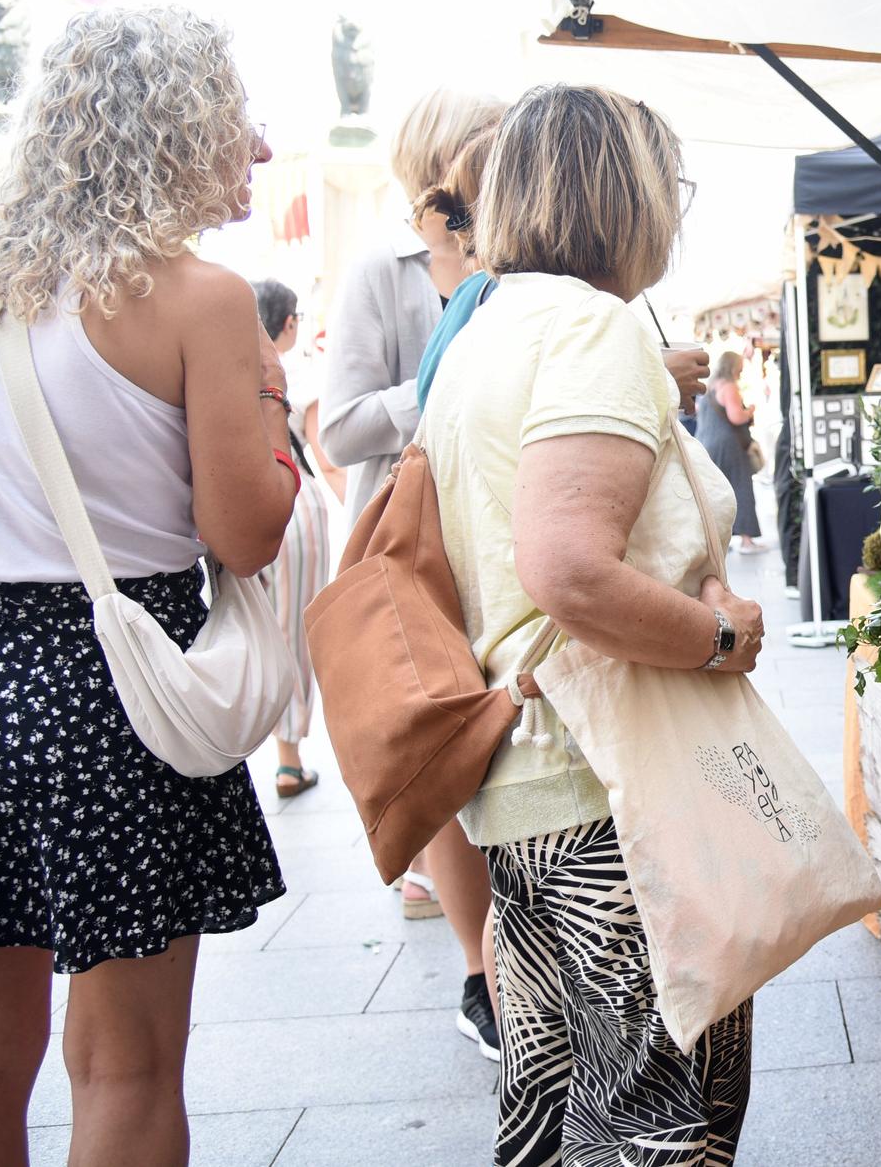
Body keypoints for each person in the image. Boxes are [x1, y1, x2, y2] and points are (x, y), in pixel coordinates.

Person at [0, 6, 293, 1167]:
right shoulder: (198, 298)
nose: (261, 147)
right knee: (123, 1061)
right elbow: (249, 532)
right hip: (110, 692)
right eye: (238, 119)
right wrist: (272, 409)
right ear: (179, 128)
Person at [422, 84, 763, 1163]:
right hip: (611, 786)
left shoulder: (482, 328)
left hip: (528, 787)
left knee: (552, 1108)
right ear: (628, 193)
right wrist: (714, 635)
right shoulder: (592, 327)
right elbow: (567, 567)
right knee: (656, 1123)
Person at [318, 87, 505, 1050]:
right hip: (416, 540)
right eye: (489, 137)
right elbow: (339, 428)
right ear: (447, 157)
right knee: (443, 749)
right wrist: (440, 376)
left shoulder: (526, 250)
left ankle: (536, 951)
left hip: (505, 532)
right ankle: (480, 973)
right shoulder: (380, 274)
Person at [252, 279, 336, 798]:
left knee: (253, 626)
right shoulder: (297, 369)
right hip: (294, 500)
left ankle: (245, 746)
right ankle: (288, 759)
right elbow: (324, 456)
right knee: (294, 632)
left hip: (238, 502)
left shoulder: (226, 366)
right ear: (288, 323)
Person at [697, 349, 764, 551]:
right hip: (729, 445)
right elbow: (736, 417)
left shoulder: (710, 387)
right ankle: (746, 539)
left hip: (706, 443)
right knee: (741, 487)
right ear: (734, 366)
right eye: (740, 366)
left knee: (715, 492)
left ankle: (717, 543)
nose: (742, 370)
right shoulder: (729, 387)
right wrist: (750, 411)